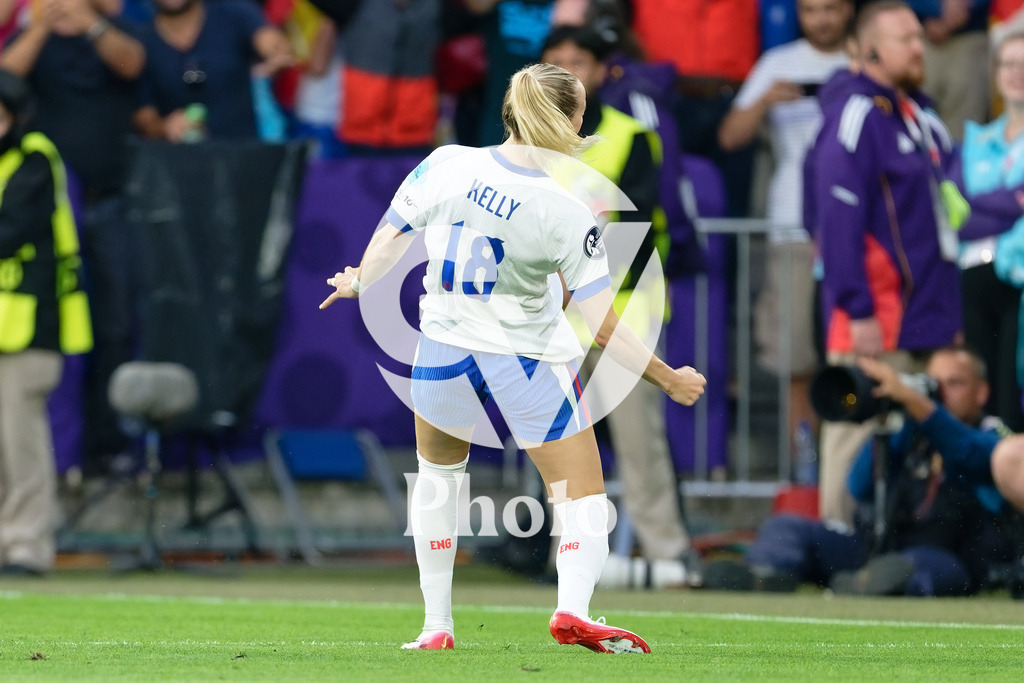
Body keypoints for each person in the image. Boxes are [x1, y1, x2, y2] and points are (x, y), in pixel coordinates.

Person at [319, 62, 706, 651]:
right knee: (582, 497)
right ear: (573, 119)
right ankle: (572, 609)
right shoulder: (568, 210)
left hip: (441, 349)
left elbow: (391, 235)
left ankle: (436, 627)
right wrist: (667, 376)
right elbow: (601, 323)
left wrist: (358, 282)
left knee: (439, 482)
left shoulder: (447, 162)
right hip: (524, 358)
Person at [540, 23, 701, 588]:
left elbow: (630, 232)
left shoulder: (632, 137)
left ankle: (670, 554)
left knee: (640, 444)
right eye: (555, 63)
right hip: (552, 319)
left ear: (601, 71)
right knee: (559, 447)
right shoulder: (527, 148)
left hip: (622, 310)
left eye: (577, 62)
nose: (567, 74)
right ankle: (568, 557)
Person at [810, 0, 963, 527]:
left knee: (924, 432)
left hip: (929, 315)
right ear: (869, 48)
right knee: (855, 429)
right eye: (907, 40)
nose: (920, 48)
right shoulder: (854, 113)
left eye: (921, 38)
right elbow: (834, 217)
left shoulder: (921, 116)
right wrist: (857, 309)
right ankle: (836, 546)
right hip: (877, 314)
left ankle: (900, 546)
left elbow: (950, 214)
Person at [706, 348, 1017, 596]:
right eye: (933, 382)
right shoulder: (912, 430)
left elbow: (968, 452)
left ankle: (869, 583)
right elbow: (859, 486)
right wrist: (889, 422)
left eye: (955, 383)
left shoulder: (994, 437)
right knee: (786, 528)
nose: (940, 393)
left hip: (949, 557)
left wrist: (919, 405)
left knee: (918, 569)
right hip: (878, 549)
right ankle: (762, 574)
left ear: (981, 393)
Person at [0, 0, 144, 472]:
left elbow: (132, 63)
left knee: (116, 328)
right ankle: (68, 454)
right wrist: (41, 24)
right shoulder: (36, 36)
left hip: (110, 202)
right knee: (45, 351)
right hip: (46, 217)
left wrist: (92, 24)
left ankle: (109, 447)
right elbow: (5, 81)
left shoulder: (115, 28)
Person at [718, 0, 852, 465]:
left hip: (856, 230)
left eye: (831, 9)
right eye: (812, 10)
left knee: (853, 356)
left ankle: (845, 468)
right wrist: (764, 100)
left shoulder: (863, 58)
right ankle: (805, 464)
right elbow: (730, 137)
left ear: (850, 10)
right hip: (793, 226)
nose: (822, 19)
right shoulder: (779, 63)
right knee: (798, 357)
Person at [0, 70, 92, 575]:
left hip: (30, 329)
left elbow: (9, 231)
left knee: (21, 443)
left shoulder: (34, 156)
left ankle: (26, 545)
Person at [953, 30, 1024, 433]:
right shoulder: (974, 142)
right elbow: (958, 216)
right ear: (995, 73)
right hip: (974, 281)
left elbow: (970, 208)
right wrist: (1012, 203)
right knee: (985, 403)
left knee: (1014, 394)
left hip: (1019, 283)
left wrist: (980, 205)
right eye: (1009, 63)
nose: (1018, 73)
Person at [132, 0, 292, 142]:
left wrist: (276, 52)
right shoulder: (140, 38)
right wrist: (165, 127)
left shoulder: (233, 13)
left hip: (242, 157)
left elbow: (267, 39)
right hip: (178, 165)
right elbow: (144, 116)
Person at [909, 0, 990, 140]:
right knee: (915, 122)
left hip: (970, 35)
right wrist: (934, 9)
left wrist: (958, 8)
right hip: (918, 32)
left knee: (964, 129)